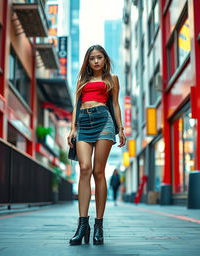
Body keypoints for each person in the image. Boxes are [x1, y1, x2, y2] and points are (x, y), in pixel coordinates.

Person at [67, 44, 126, 246]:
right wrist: (73, 128)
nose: (96, 61)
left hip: (104, 121)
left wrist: (121, 128)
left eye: (99, 57)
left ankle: (99, 225)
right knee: (85, 168)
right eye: (92, 58)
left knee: (98, 172)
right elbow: (76, 104)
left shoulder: (112, 79)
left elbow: (116, 104)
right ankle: (83, 225)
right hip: (83, 121)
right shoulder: (81, 80)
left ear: (105, 59)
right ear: (88, 61)